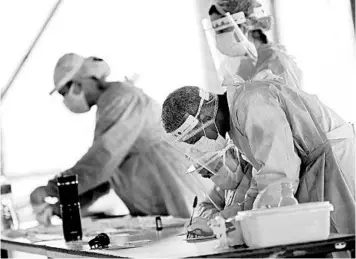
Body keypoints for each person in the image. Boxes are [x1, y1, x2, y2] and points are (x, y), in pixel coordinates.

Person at [160, 72, 355, 236]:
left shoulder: (251, 104)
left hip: (333, 164)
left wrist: (232, 226)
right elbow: (259, 185)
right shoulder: (237, 124)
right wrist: (219, 222)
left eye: (194, 140)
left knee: (342, 236)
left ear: (204, 118)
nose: (199, 147)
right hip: (317, 165)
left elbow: (278, 179)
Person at [30, 53, 205, 225]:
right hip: (158, 205)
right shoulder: (109, 104)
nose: (66, 100)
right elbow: (103, 177)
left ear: (78, 82)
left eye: (64, 93)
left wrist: (53, 188)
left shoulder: (122, 98)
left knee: (192, 240)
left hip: (177, 191)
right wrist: (61, 206)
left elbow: (101, 160)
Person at [207, 0, 303, 89]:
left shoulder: (276, 65)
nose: (218, 38)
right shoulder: (249, 64)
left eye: (221, 31)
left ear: (243, 27)